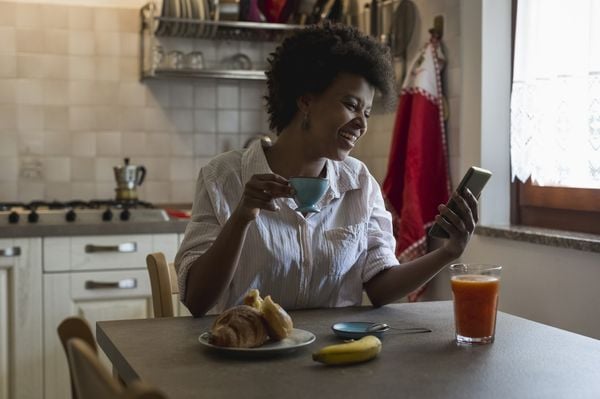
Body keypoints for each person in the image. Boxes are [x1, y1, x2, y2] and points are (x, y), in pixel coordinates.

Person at [175, 22, 478, 317]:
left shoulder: (360, 183)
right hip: (247, 355)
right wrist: (241, 217)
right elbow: (198, 301)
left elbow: (380, 287)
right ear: (306, 100)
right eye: (350, 104)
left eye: (367, 112)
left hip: (335, 358)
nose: (362, 124)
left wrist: (448, 252)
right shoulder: (224, 177)